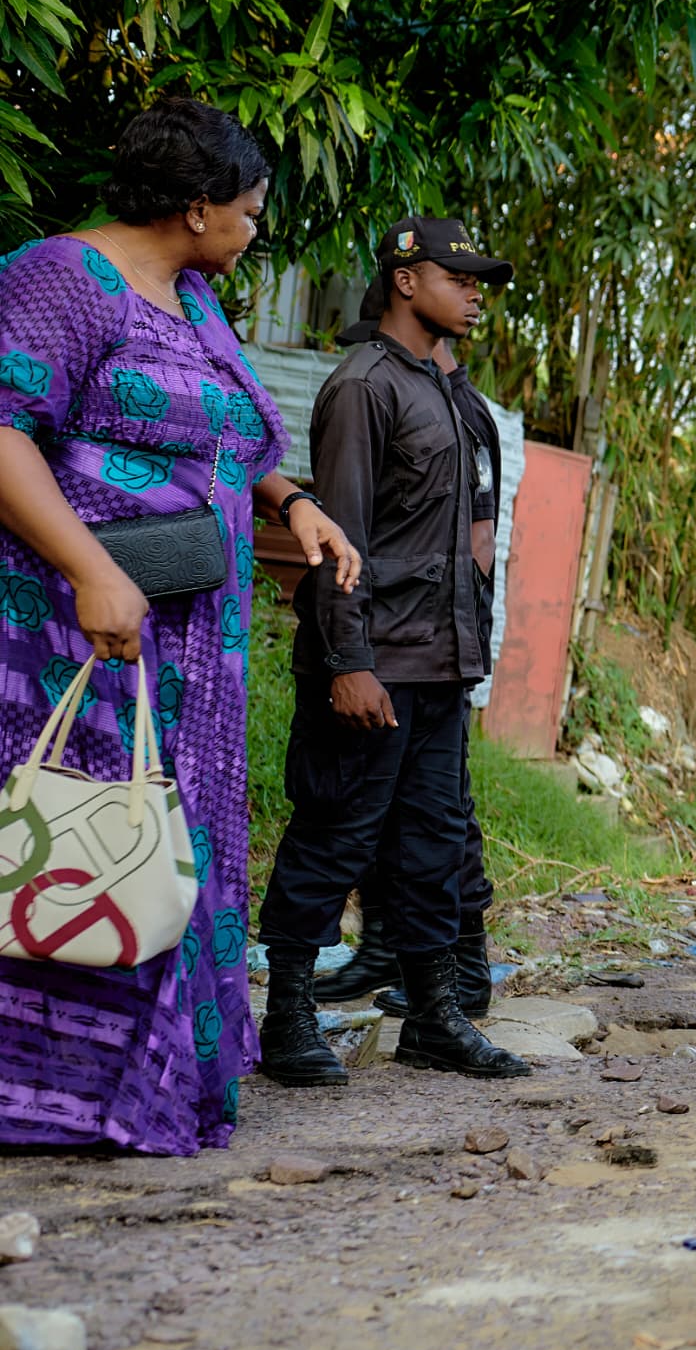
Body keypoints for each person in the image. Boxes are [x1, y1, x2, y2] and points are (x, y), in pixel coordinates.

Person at [0, 97, 359, 1152]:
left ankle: (145, 1085)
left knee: (162, 840)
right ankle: (47, 1090)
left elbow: (226, 437)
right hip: (77, 624)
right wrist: (93, 569)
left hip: (196, 642)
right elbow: (5, 431)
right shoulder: (62, 277)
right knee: (79, 834)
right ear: (197, 207)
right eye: (249, 211)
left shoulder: (193, 296)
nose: (255, 230)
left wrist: (292, 501)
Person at [255, 217, 528, 1083]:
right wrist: (349, 663)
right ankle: (287, 1019)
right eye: (461, 278)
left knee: (432, 845)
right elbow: (338, 537)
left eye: (480, 282)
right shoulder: (364, 386)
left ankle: (434, 1018)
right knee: (334, 835)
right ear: (407, 281)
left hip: (440, 664)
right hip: (375, 664)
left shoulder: (447, 389)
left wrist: (466, 654)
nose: (476, 295)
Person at [315, 306, 507, 1019]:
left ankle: (466, 968)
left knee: (444, 811)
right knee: (380, 804)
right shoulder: (382, 388)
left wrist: (448, 628)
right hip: (393, 634)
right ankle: (383, 948)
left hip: (435, 639)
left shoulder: (464, 411)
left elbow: (480, 536)